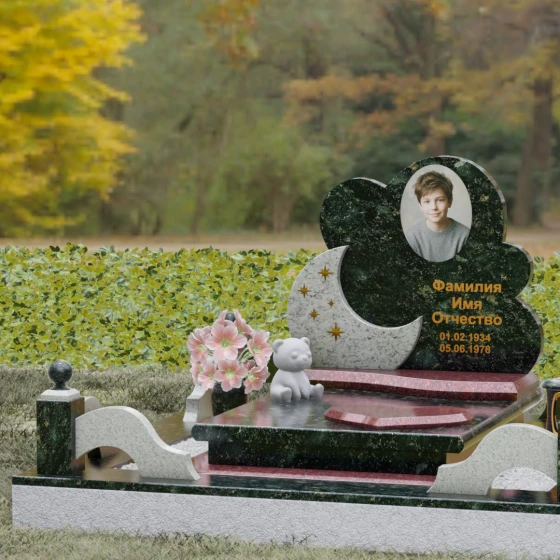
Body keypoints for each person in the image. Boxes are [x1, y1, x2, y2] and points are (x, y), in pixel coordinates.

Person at [405, 171, 470, 262]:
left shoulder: (464, 235)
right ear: (420, 205)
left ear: (450, 202)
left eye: (440, 200)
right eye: (427, 201)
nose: (434, 207)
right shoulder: (412, 236)